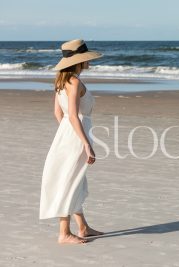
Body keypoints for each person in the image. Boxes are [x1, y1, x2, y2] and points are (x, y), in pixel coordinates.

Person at [39, 39, 104, 244]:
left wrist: (66, 133)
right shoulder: (74, 82)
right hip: (76, 135)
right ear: (79, 61)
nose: (89, 62)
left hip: (66, 133)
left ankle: (83, 227)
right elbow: (74, 115)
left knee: (74, 179)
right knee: (70, 181)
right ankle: (64, 233)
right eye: (86, 58)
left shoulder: (60, 80)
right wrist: (84, 142)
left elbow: (58, 113)